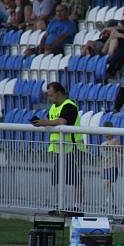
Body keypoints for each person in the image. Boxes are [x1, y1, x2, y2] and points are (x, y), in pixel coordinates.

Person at [32, 82, 86, 213]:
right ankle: (58, 205)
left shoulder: (69, 106)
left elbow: (62, 122)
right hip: (58, 148)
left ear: (59, 93)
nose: (49, 98)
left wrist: (43, 122)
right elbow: (54, 123)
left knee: (75, 178)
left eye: (51, 95)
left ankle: (77, 206)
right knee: (56, 177)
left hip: (73, 147)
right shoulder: (53, 108)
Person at [100, 122, 122, 215]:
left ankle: (109, 201)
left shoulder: (115, 141)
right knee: (107, 185)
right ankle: (110, 202)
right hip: (105, 166)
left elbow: (119, 149)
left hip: (113, 166)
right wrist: (101, 168)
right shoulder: (103, 143)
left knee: (108, 182)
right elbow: (102, 157)